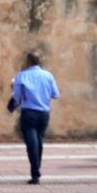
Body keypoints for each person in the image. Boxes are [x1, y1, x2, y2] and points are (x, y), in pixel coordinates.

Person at [9, 50, 60, 184]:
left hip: (29, 113)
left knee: (32, 143)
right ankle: (36, 169)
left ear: (28, 61)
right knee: (38, 141)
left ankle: (35, 173)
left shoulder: (21, 76)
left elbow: (17, 97)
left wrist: (14, 88)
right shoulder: (48, 75)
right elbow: (55, 94)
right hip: (44, 113)